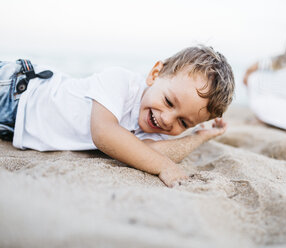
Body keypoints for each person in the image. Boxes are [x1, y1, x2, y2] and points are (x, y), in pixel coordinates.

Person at [0, 45, 235, 187]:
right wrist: (164, 167)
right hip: (17, 91)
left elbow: (147, 153)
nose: (167, 119)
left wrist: (200, 136)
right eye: (169, 101)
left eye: (183, 122)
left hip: (11, 126)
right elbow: (104, 133)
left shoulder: (155, 127)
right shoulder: (121, 82)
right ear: (155, 74)